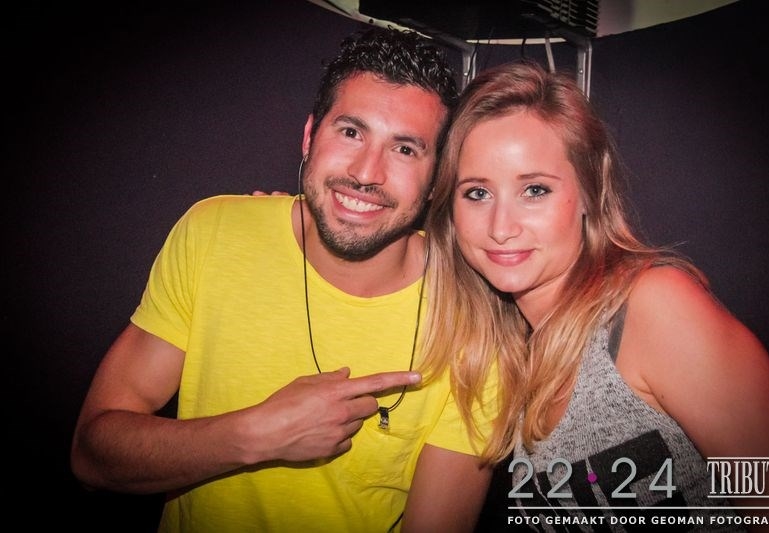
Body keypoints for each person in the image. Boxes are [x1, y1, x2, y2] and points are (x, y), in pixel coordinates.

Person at [70, 27, 496, 533]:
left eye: (405, 149)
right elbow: (92, 455)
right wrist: (254, 435)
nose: (366, 173)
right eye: (351, 132)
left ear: (436, 179)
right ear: (310, 136)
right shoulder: (215, 232)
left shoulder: (474, 321)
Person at [420, 59, 769, 531]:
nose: (501, 227)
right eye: (477, 193)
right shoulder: (508, 354)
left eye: (534, 189)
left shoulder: (654, 308)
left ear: (588, 192)